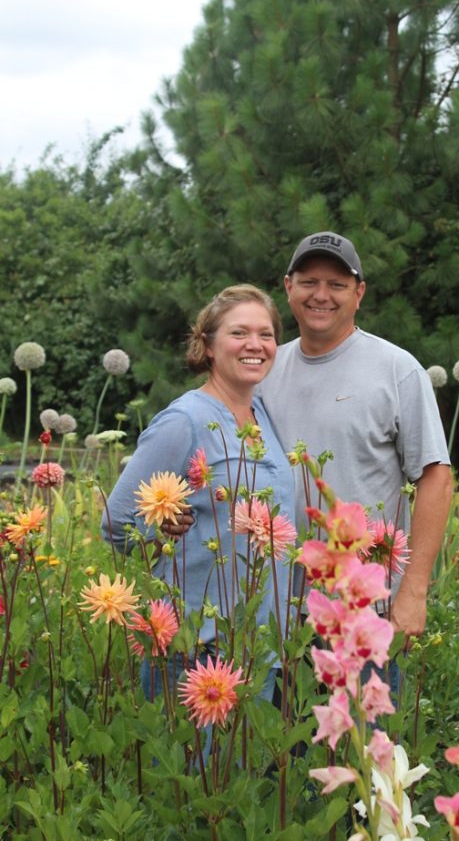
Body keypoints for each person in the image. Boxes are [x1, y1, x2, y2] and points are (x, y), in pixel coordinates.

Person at [102, 285, 296, 708]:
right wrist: (159, 532)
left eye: (266, 334)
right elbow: (116, 522)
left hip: (258, 651)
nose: (255, 345)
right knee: (195, 772)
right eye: (239, 333)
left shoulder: (262, 415)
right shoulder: (183, 420)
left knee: (243, 774)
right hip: (194, 651)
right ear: (207, 345)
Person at [256, 232, 453, 639]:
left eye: (337, 285)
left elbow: (436, 478)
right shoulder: (263, 371)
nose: (321, 295)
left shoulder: (397, 370)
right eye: (309, 282)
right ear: (288, 287)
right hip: (276, 611)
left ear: (359, 293)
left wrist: (414, 591)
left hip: (366, 611)